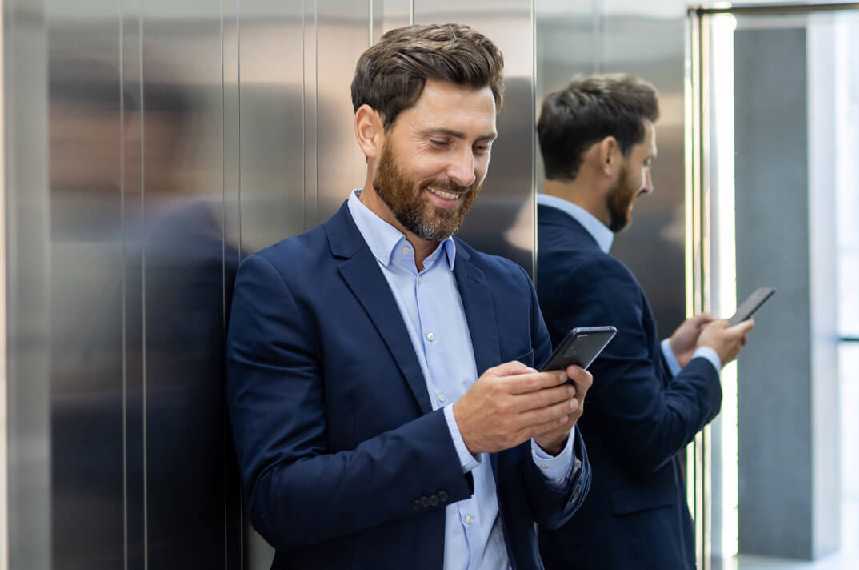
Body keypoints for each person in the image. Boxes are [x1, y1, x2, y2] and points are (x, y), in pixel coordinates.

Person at [226, 24, 592, 570]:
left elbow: (550, 510)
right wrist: (459, 434)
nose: (464, 172)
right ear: (370, 131)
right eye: (440, 142)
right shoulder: (284, 285)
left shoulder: (507, 286)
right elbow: (282, 502)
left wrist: (553, 443)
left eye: (481, 147)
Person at [534, 74, 754, 569]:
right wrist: (709, 360)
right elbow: (648, 437)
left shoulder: (527, 253)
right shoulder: (596, 274)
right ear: (609, 155)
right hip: (622, 548)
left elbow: (596, 393)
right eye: (646, 160)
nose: (649, 182)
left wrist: (666, 359)